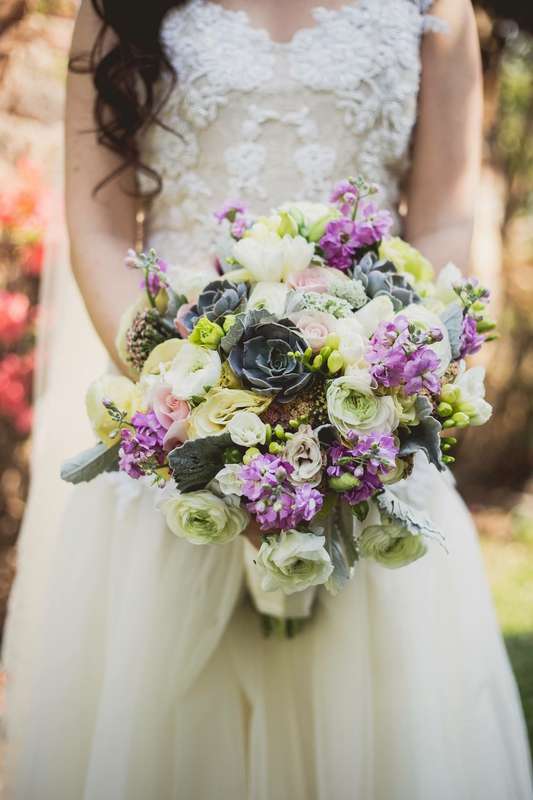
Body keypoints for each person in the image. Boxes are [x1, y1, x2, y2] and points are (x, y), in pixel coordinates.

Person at [3, 1, 533, 798]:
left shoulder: (432, 8)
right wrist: (185, 389)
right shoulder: (116, 7)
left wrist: (382, 374)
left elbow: (447, 212)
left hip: (369, 438)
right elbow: (101, 225)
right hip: (170, 429)